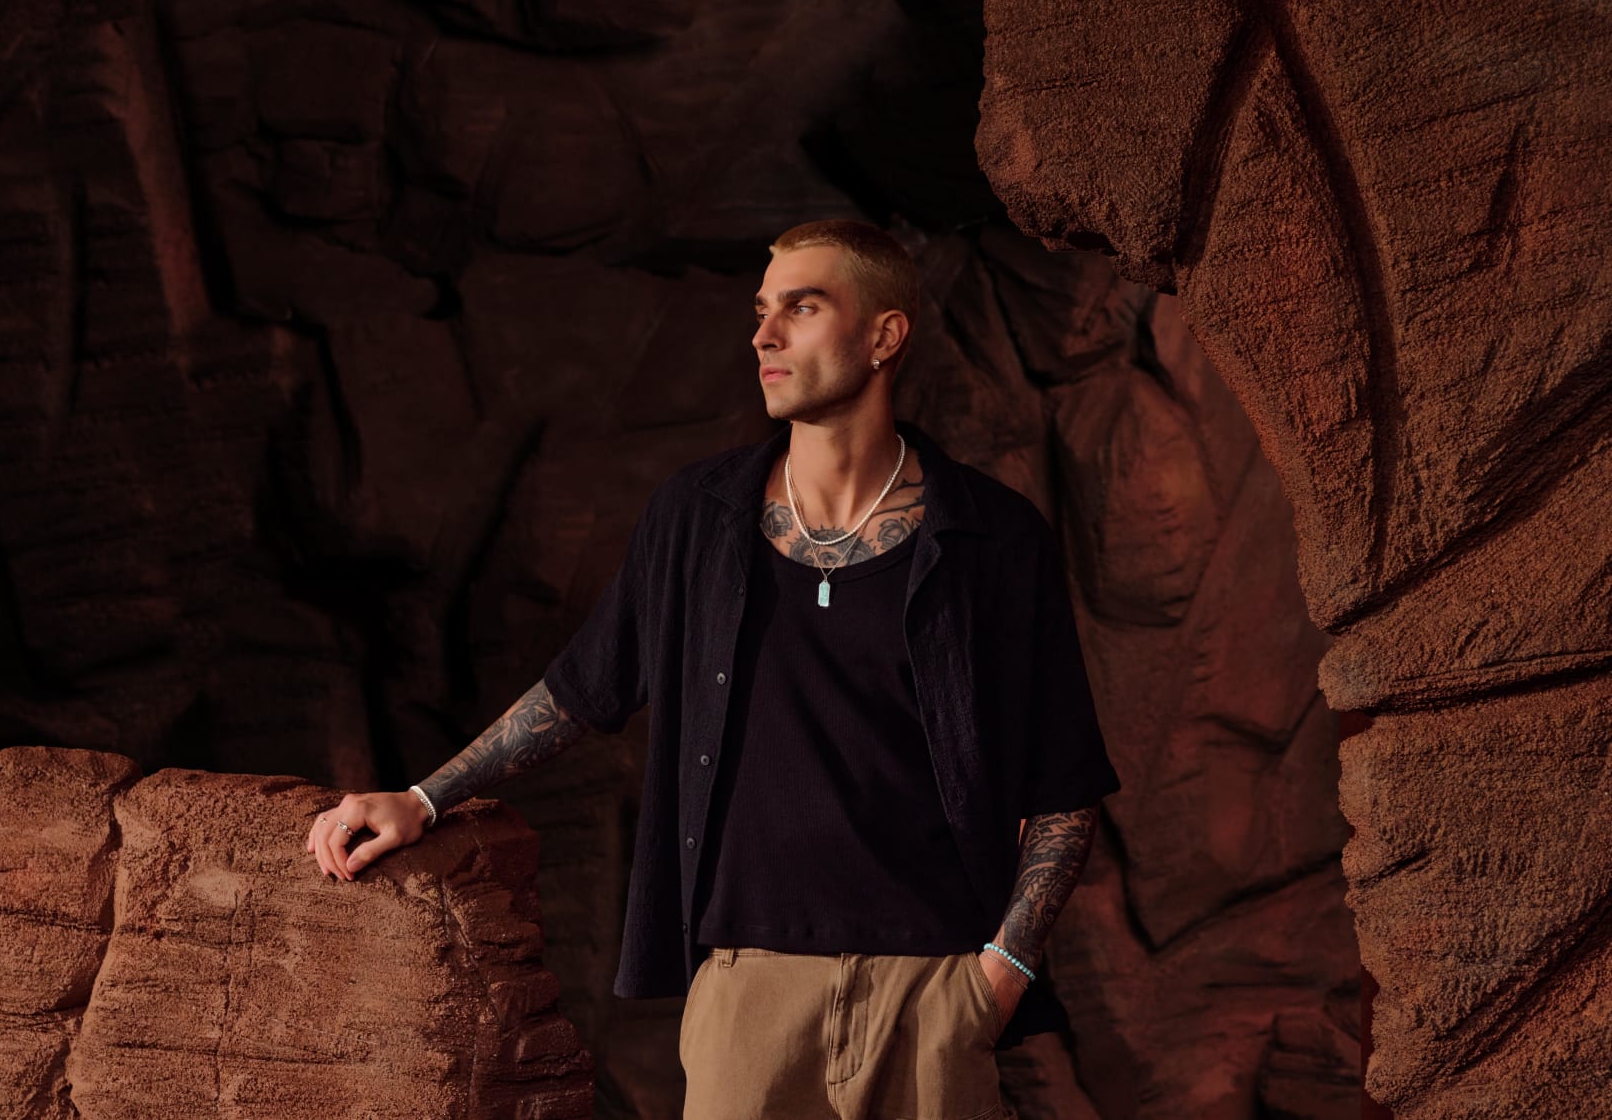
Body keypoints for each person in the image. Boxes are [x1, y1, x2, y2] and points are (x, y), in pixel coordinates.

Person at [304, 220, 1120, 1119]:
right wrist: (423, 798)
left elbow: (1064, 788)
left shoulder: (994, 539)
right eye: (761, 311)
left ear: (886, 336)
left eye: (801, 309)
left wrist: (999, 972)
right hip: (745, 994)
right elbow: (582, 690)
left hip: (935, 992)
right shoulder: (697, 519)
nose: (764, 336)